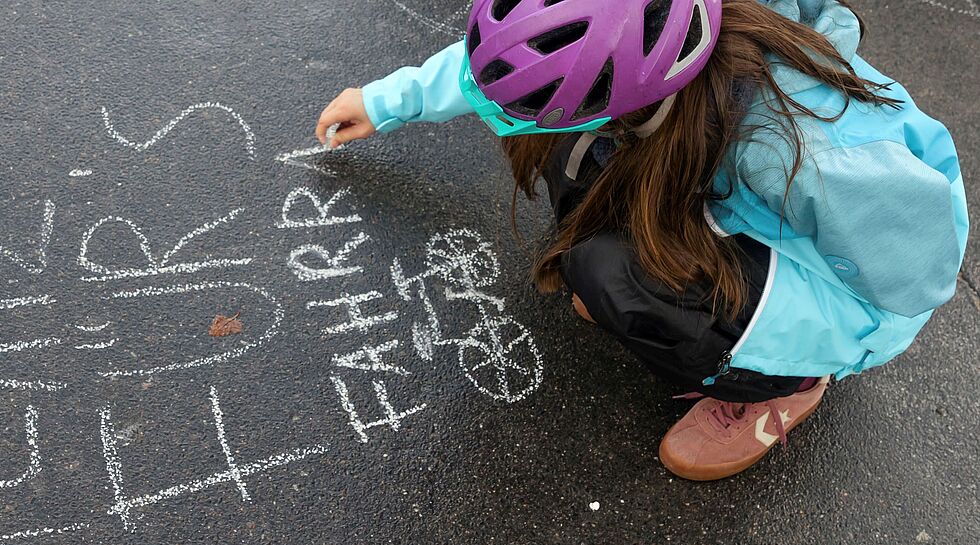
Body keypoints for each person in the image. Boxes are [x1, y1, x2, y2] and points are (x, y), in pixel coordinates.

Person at [315, 0, 968, 480]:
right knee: (573, 159)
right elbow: (535, 54)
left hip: (855, 289)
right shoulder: (651, 36)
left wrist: (822, 336)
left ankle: (787, 384)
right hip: (743, 193)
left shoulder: (802, 150)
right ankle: (673, 278)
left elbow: (916, 277)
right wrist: (384, 102)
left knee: (616, 273)